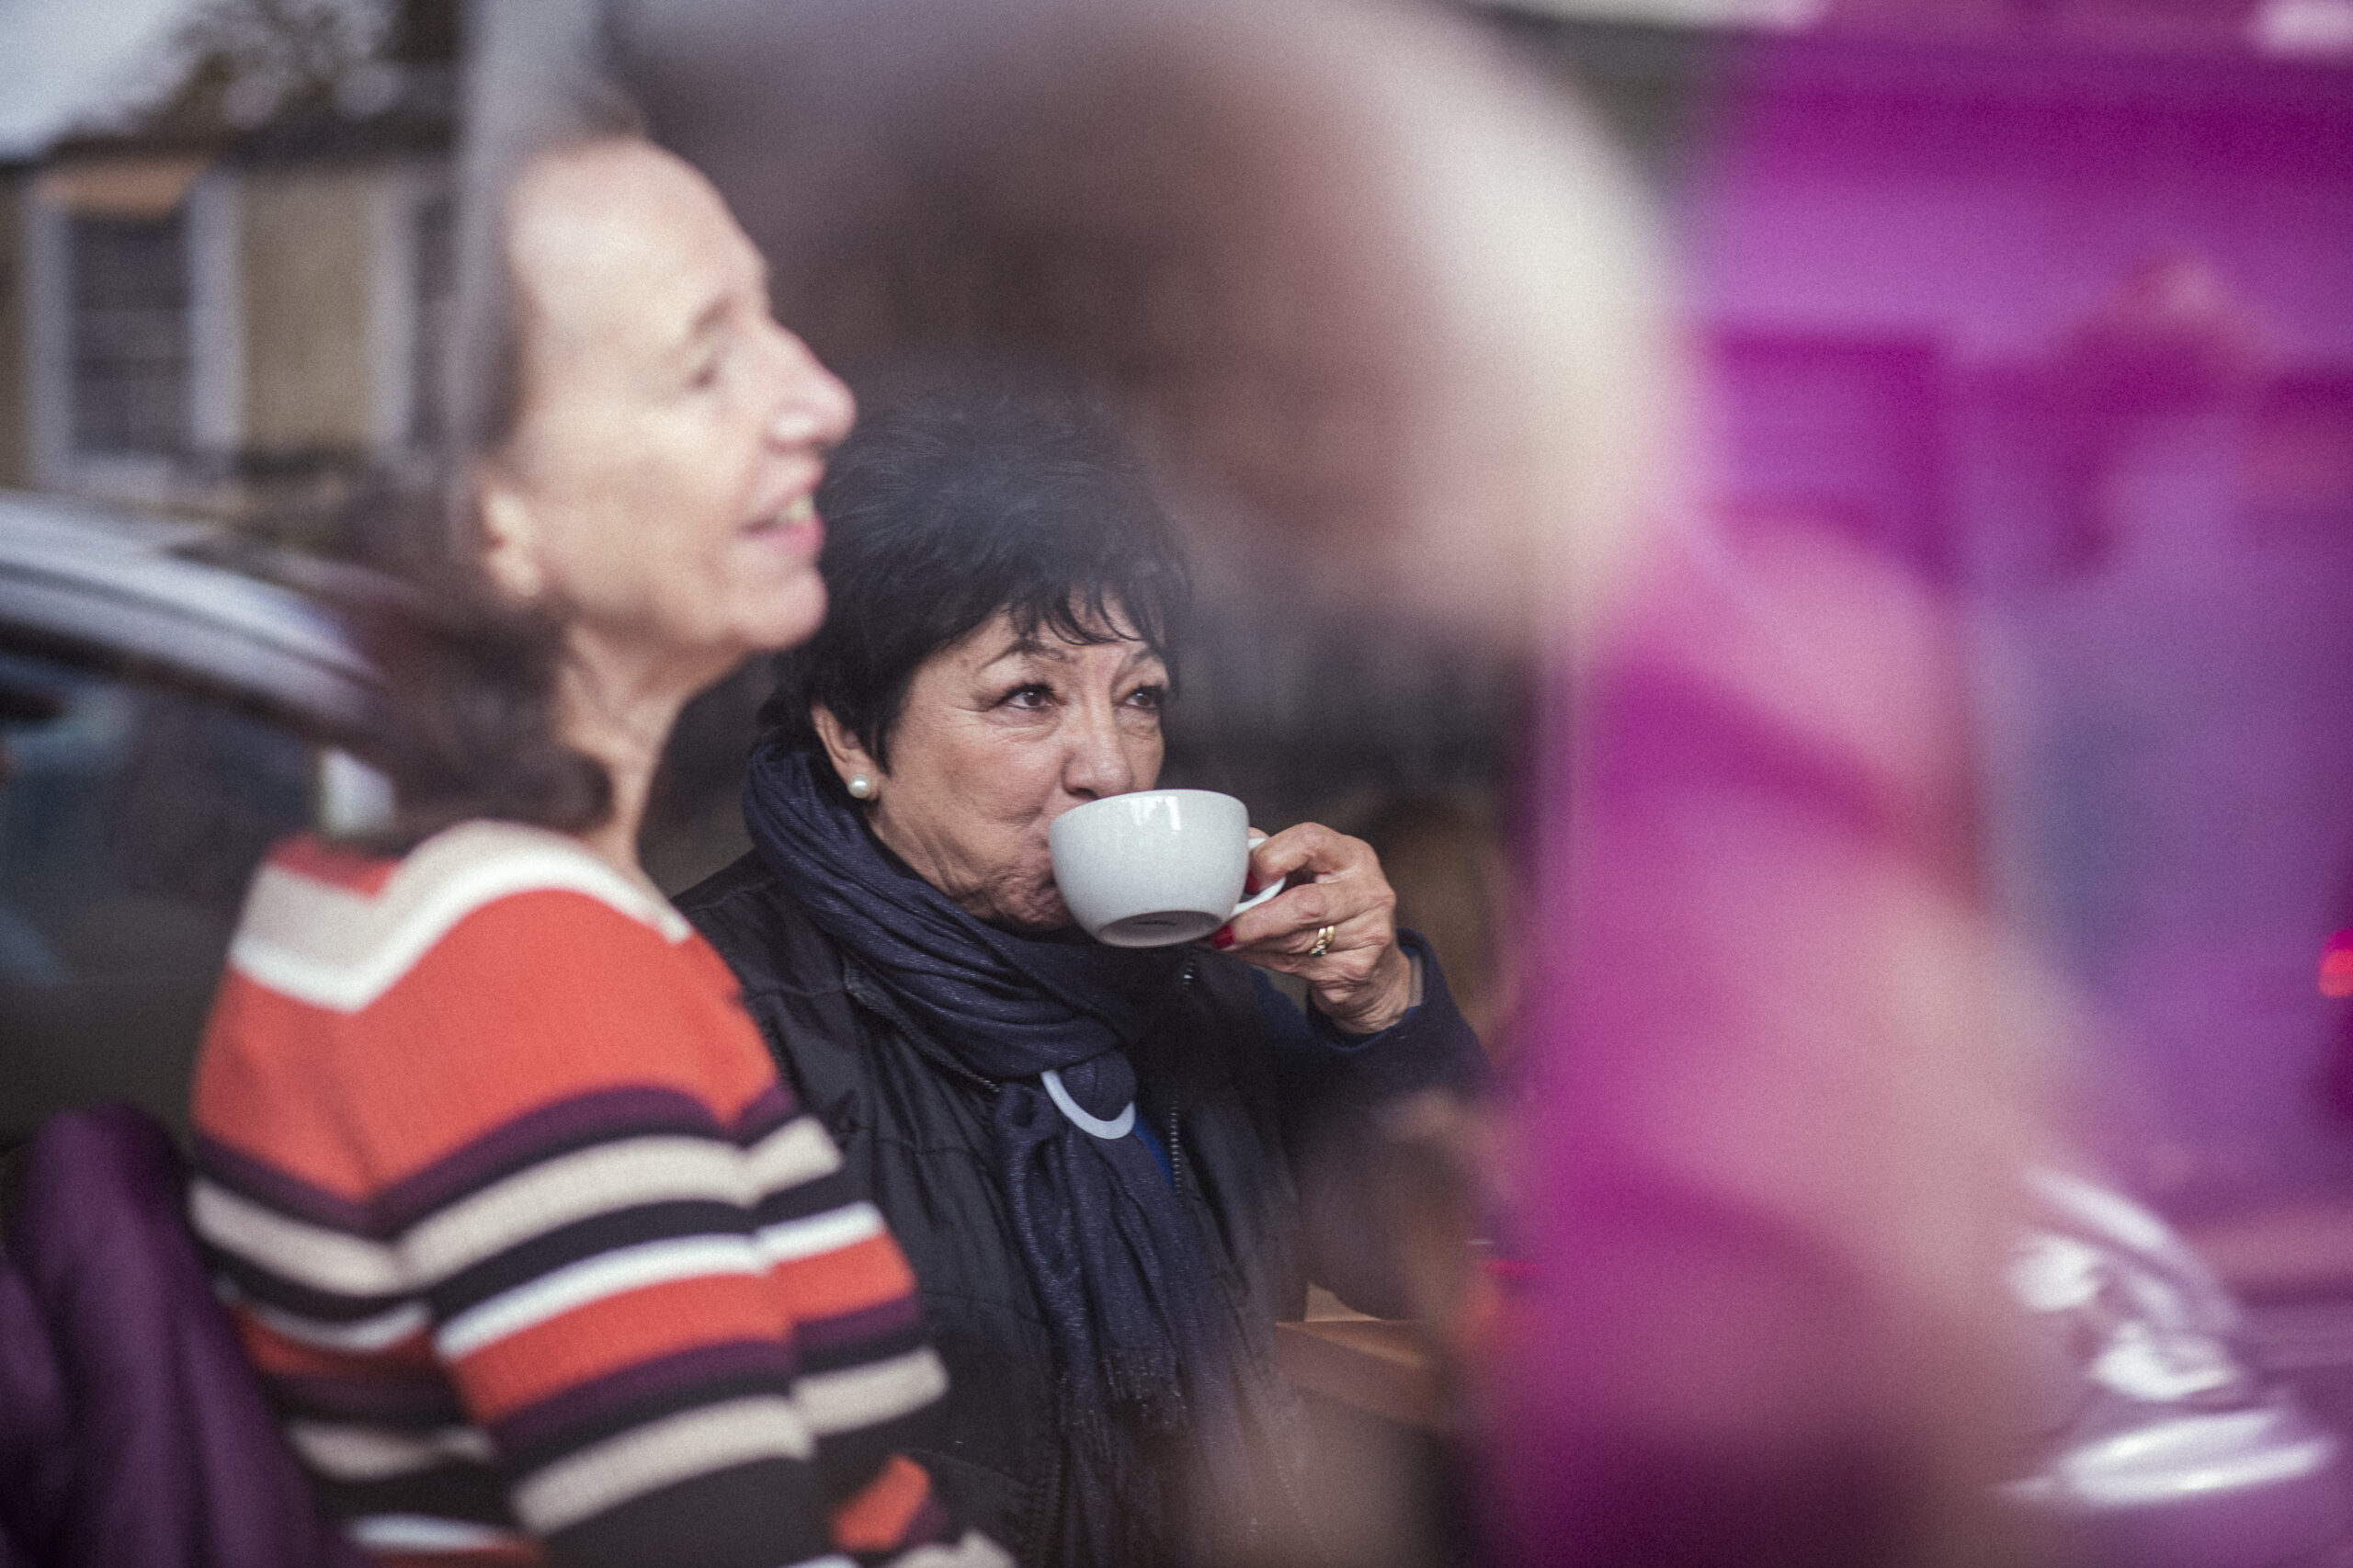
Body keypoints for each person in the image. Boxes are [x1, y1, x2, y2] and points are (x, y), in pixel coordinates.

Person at [186, 131, 1004, 1568]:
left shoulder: (461, 897)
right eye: (707, 362)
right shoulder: (503, 957)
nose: (819, 397)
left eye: (773, 320)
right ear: (498, 522)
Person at [676, 384, 1490, 1568]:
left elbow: (1425, 1266)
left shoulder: (1186, 988)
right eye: (1027, 697)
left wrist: (1377, 1009)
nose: (1110, 766)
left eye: (1140, 696)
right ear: (851, 738)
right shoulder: (717, 1014)